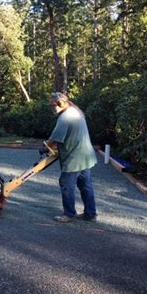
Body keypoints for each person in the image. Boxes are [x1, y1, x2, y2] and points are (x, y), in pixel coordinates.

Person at [41, 92, 98, 222]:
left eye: (52, 105)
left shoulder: (65, 117)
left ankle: (69, 214)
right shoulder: (76, 111)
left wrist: (44, 147)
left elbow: (54, 139)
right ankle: (91, 213)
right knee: (85, 185)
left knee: (66, 184)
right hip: (85, 155)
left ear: (60, 104)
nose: (51, 108)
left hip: (74, 157)